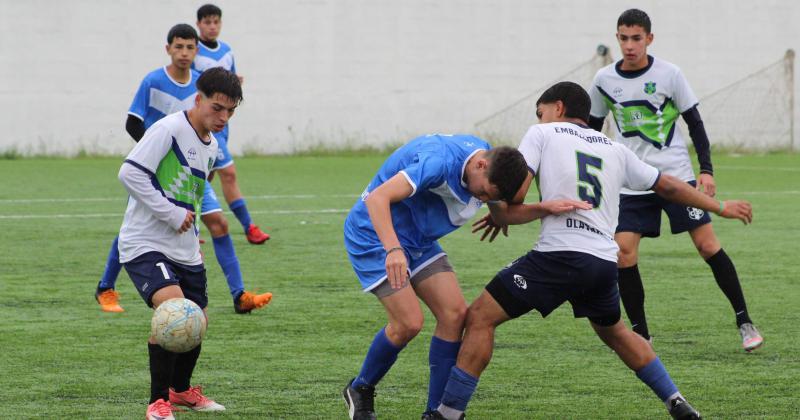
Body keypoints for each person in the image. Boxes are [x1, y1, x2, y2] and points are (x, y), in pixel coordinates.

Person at [431, 82, 754, 420]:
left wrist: (498, 207)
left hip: (560, 255)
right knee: (615, 332)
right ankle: (677, 401)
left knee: (480, 317)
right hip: (603, 262)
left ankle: (448, 414)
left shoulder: (543, 133)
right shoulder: (615, 149)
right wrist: (718, 206)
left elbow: (514, 193)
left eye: (540, 112)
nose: (539, 119)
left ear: (557, 108)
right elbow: (670, 185)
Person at [340, 133, 585, 420]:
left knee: (455, 315)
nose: (482, 200)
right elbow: (378, 198)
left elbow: (503, 215)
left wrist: (544, 209)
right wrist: (393, 249)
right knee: (409, 323)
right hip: (375, 236)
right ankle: (360, 388)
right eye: (483, 195)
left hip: (417, 240)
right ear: (480, 165)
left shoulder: (489, 166)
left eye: (487, 198)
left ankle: (435, 413)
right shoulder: (438, 162)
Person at [587, 8, 762, 351]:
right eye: (623, 38)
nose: (629, 45)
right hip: (631, 182)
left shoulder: (670, 74)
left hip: (677, 177)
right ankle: (641, 335)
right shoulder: (604, 80)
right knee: (623, 253)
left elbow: (695, 124)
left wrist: (706, 171)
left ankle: (744, 321)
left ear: (649, 39)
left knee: (707, 245)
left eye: (636, 38)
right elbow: (590, 131)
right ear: (617, 38)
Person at [95, 24, 271, 314]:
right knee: (138, 226)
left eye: (190, 47)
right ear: (168, 49)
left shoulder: (204, 83)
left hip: (191, 176)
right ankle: (106, 286)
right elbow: (133, 123)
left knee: (219, 224)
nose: (184, 53)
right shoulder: (153, 81)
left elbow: (208, 144)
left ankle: (239, 295)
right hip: (155, 168)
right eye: (179, 46)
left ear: (197, 51)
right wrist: (159, 155)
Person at [119, 66, 242, 420]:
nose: (223, 117)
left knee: (197, 319)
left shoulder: (212, 145)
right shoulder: (169, 128)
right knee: (173, 312)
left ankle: (181, 390)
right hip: (144, 242)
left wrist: (191, 232)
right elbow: (129, 173)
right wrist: (170, 214)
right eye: (217, 108)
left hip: (184, 247)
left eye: (230, 111)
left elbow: (194, 191)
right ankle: (157, 402)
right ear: (199, 99)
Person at [191, 3, 270, 245]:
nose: (212, 26)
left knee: (206, 175)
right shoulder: (193, 50)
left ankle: (191, 224)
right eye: (207, 22)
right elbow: (193, 86)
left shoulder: (227, 51)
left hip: (222, 124)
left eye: (216, 22)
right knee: (229, 173)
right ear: (199, 24)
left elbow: (231, 85)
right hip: (205, 122)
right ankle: (249, 227)